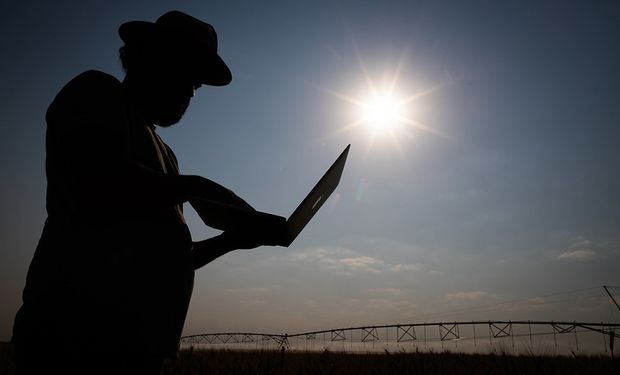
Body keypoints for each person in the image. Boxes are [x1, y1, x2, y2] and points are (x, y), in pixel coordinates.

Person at [12, 10, 287, 375]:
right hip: (73, 335)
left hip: (138, 348)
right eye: (184, 74)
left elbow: (171, 257)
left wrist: (233, 240)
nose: (190, 91)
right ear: (146, 58)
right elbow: (96, 180)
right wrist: (196, 187)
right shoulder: (95, 92)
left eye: (196, 84)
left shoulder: (166, 154)